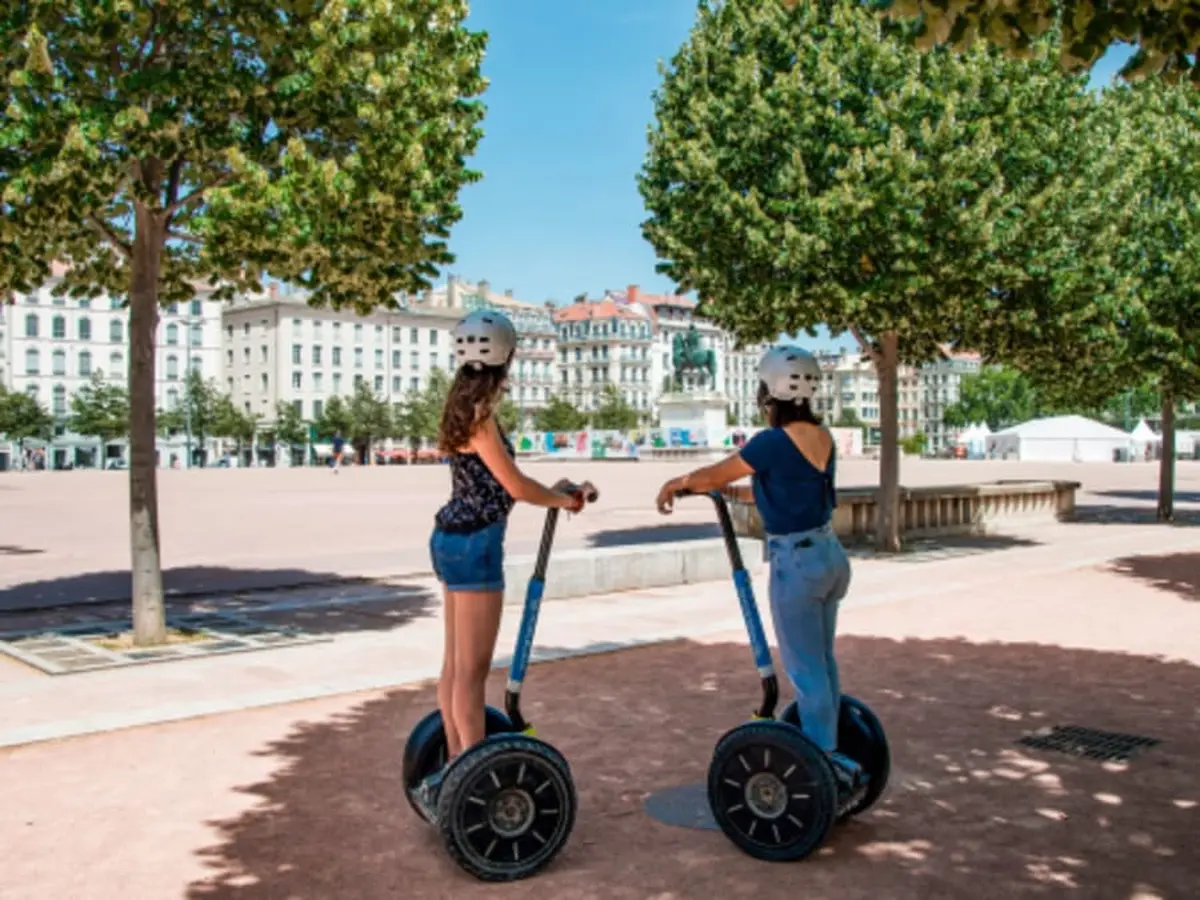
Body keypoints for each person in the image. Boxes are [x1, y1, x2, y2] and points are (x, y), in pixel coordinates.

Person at [654, 345, 862, 791]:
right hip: (829, 555)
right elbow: (783, 490)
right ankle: (834, 750)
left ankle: (825, 764)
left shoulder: (771, 441)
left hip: (797, 563)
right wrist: (732, 496)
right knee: (822, 662)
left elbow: (715, 474)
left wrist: (679, 482)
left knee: (805, 671)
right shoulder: (822, 437)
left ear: (769, 390)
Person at [414, 309, 594, 811]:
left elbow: (502, 480)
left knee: (454, 667)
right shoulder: (481, 416)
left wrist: (557, 491)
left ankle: (453, 767)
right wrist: (564, 501)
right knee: (471, 675)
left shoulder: (459, 409)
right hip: (476, 546)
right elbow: (513, 485)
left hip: (450, 539)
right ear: (506, 357)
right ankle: (466, 781)